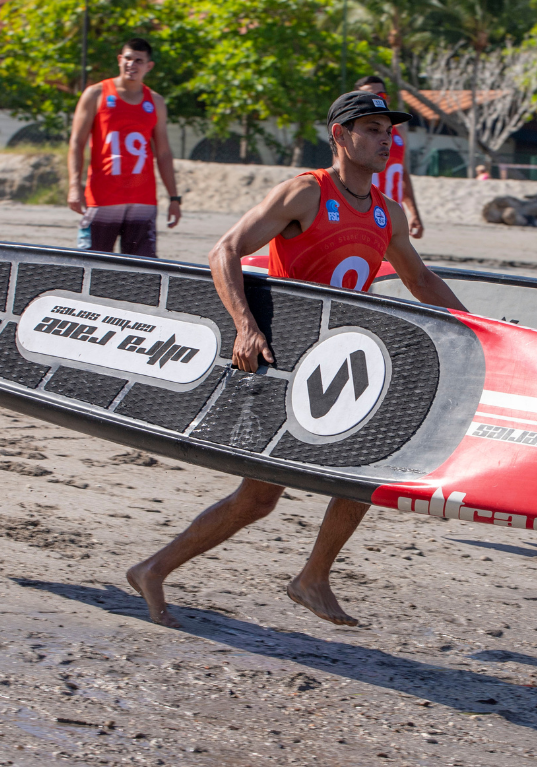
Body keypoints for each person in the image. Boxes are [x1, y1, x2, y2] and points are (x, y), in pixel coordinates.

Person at [125, 91, 466, 629]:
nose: (386, 140)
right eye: (372, 129)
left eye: (388, 131)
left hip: (342, 367)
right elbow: (225, 250)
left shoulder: (387, 211)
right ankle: (154, 568)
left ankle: (311, 578)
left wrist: (475, 331)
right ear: (340, 135)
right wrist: (244, 324)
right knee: (260, 498)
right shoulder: (306, 193)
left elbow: (420, 279)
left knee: (364, 474)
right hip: (285, 364)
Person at [66, 38, 182, 257]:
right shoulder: (96, 94)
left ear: (149, 66)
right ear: (120, 60)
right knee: (93, 265)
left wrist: (174, 198)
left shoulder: (155, 101)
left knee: (141, 270)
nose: (132, 64)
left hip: (142, 199)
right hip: (102, 198)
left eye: (139, 60)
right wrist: (74, 185)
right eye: (128, 58)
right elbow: (77, 142)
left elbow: (164, 152)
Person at [354, 75, 424, 238]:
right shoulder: (350, 134)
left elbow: (403, 174)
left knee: (400, 263)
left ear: (388, 99)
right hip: (362, 217)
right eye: (367, 97)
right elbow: (339, 177)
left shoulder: (400, 132)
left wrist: (414, 213)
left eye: (380, 96)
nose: (375, 101)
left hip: (394, 218)